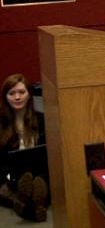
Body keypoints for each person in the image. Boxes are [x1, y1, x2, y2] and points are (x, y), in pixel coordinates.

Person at [0, 74, 48, 222]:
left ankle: (22, 202)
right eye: (12, 93)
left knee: (39, 184)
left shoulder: (42, 120)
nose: (17, 97)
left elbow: (48, 154)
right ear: (5, 97)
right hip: (12, 176)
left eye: (21, 92)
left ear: (29, 95)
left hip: (38, 174)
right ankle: (35, 206)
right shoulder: (1, 124)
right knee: (14, 187)